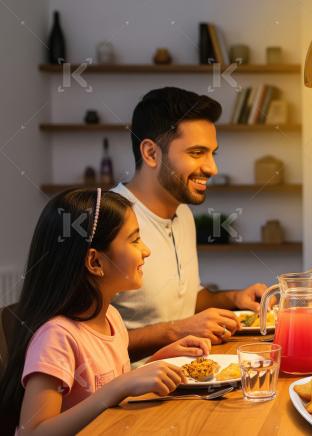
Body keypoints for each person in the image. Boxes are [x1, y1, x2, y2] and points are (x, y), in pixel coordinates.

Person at [0, 189, 211, 435]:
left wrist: (156, 364)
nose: (146, 251)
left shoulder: (111, 317)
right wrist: (121, 387)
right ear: (95, 262)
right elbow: (33, 431)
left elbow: (109, 385)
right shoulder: (56, 337)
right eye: (134, 240)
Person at [112, 87, 266, 358]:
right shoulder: (106, 220)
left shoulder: (182, 213)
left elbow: (186, 301)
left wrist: (233, 299)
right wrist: (176, 331)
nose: (212, 168)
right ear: (151, 153)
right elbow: (79, 343)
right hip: (130, 391)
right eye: (197, 153)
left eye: (212, 154)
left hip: (187, 375)